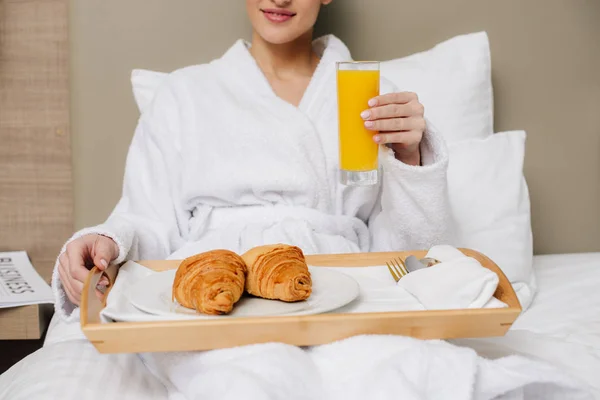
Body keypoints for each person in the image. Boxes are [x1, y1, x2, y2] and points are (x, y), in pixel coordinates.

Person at [53, 0, 451, 319]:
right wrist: (107, 242)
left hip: (339, 284)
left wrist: (411, 158)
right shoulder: (184, 93)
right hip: (213, 291)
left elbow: (407, 252)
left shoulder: (373, 97)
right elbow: (148, 221)